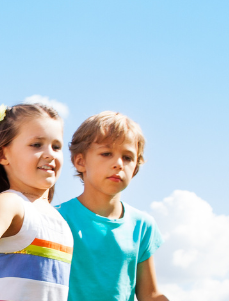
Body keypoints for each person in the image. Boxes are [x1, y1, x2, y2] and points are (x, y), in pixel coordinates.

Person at [0, 103, 72, 300]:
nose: (50, 153)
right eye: (37, 145)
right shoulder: (10, 203)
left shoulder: (59, 220)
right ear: (3, 155)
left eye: (56, 146)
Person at [56, 112, 167, 301]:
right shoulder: (56, 218)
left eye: (127, 157)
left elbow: (150, 294)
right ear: (80, 161)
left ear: (135, 168)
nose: (118, 164)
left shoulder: (142, 225)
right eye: (106, 154)